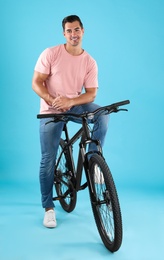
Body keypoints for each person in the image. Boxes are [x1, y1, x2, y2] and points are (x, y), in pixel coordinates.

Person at [32, 15, 109, 228]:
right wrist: (53, 100)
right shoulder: (51, 53)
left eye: (76, 30)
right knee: (48, 159)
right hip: (50, 108)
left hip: (73, 105)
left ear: (83, 31)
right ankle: (48, 207)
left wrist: (70, 101)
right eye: (69, 31)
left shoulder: (89, 61)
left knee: (102, 114)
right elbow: (36, 82)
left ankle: (94, 162)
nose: (73, 34)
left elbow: (91, 94)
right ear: (64, 33)